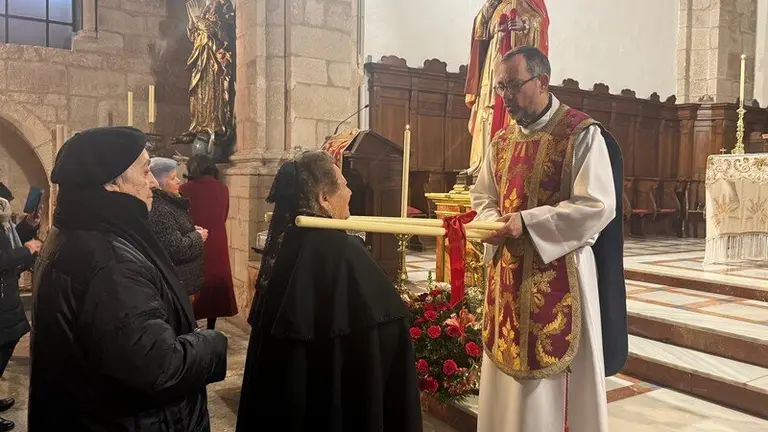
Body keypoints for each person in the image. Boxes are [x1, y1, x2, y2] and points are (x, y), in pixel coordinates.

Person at [469, 46, 627, 432]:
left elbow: (598, 205)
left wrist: (527, 222)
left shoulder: (581, 133)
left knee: (551, 390)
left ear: (542, 81)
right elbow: (483, 197)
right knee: (506, 384)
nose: (505, 95)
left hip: (562, 277)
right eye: (501, 86)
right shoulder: (501, 142)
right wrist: (494, 222)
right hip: (508, 278)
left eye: (513, 85)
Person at [29, 127, 228, 432]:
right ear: (111, 182)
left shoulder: (74, 232)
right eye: (145, 171)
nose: (152, 183)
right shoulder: (111, 261)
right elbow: (156, 368)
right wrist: (212, 343)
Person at [236, 150, 422, 432]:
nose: (350, 192)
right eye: (345, 184)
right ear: (324, 199)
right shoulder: (345, 253)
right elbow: (386, 331)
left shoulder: (286, 247)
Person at [465, 0, 549, 175]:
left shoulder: (530, 3)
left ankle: (506, 164)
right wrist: (487, 12)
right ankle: (481, 164)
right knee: (487, 109)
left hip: (516, 64)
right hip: (493, 62)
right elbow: (480, 33)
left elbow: (541, 23)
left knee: (511, 106)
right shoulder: (497, 4)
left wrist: (524, 26)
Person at [180, 154, 237, 329]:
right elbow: (224, 214)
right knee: (215, 284)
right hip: (217, 240)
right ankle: (211, 326)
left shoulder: (185, 188)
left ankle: (192, 324)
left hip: (193, 240)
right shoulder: (222, 188)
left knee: (193, 283)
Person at [0, 197, 41, 432]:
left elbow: (6, 243)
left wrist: (27, 226)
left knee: (6, 343)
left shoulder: (2, 219)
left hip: (6, 295)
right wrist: (26, 251)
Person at [149, 157, 207, 295]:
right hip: (176, 283)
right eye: (172, 178)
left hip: (183, 282)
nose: (178, 181)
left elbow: (175, 230)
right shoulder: (160, 208)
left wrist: (192, 230)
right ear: (159, 183)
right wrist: (198, 236)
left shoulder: (169, 202)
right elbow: (175, 248)